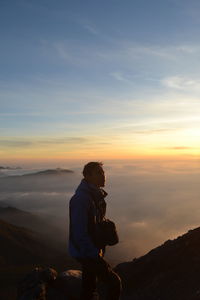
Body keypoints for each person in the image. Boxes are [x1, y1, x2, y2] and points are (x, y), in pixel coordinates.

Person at [69, 161, 121, 300]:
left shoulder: (95, 196)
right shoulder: (82, 199)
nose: (103, 175)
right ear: (88, 176)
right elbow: (79, 232)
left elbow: (92, 223)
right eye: (99, 172)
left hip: (91, 250)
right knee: (114, 283)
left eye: (103, 172)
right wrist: (94, 254)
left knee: (89, 288)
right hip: (87, 252)